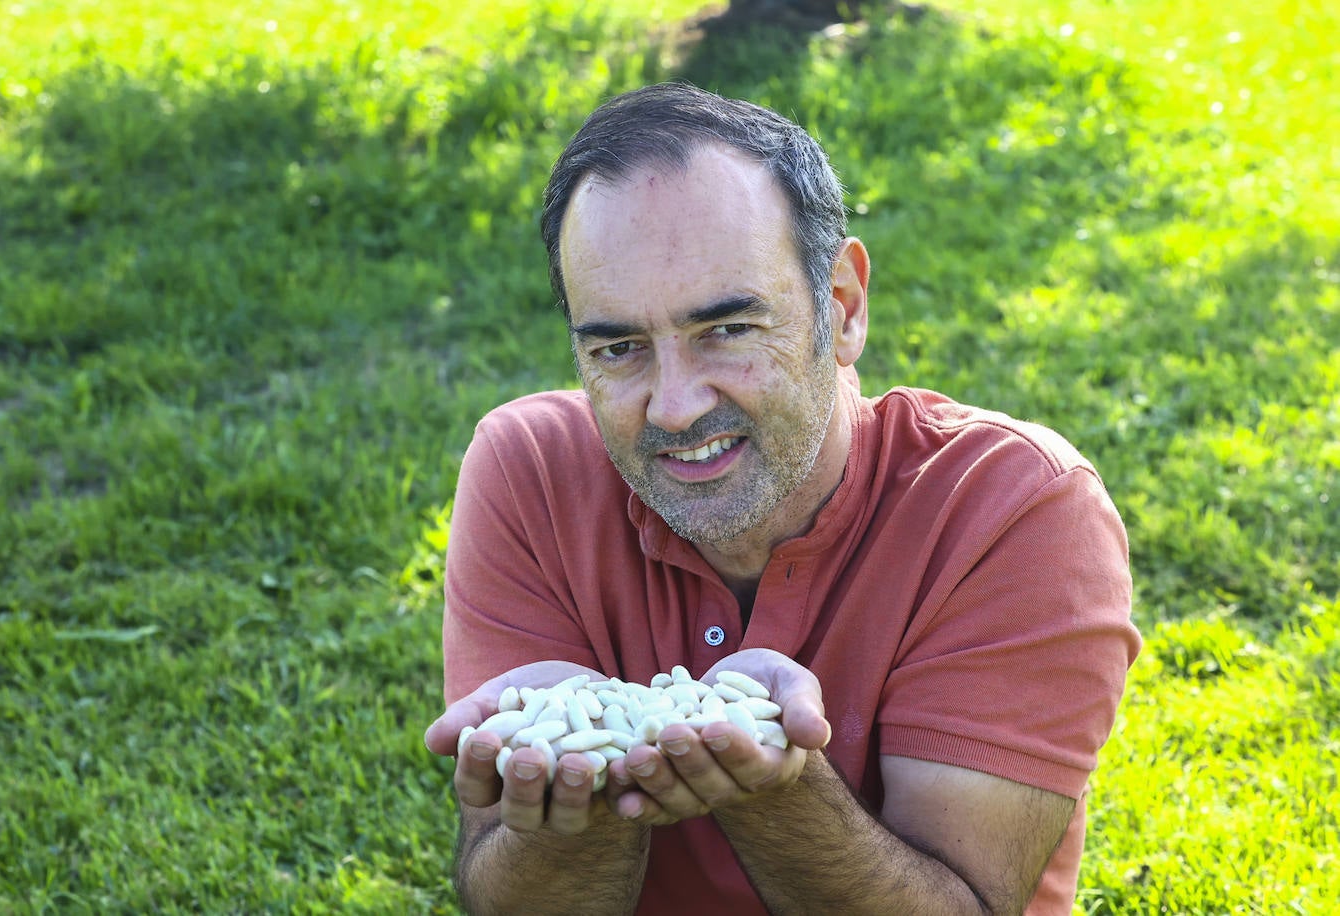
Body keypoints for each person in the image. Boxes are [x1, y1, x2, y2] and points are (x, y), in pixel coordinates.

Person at [424, 82, 1141, 915]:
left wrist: (774, 786)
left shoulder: (1014, 509)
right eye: (619, 348)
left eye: (726, 330)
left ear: (842, 307)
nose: (675, 406)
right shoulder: (529, 471)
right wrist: (580, 788)